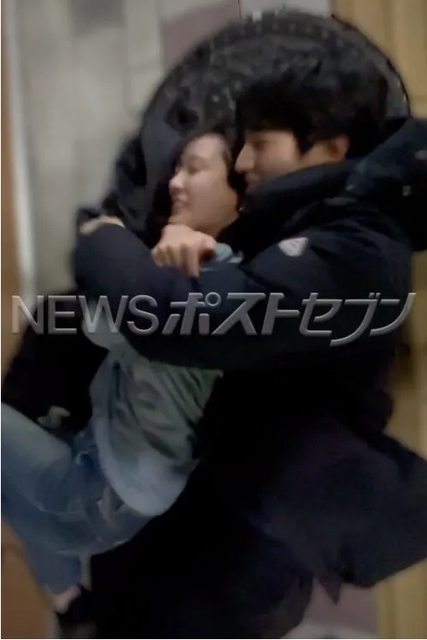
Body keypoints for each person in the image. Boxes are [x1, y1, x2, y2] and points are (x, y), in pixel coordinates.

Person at [73, 56, 427, 638]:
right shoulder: (310, 227)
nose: (243, 163)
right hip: (225, 515)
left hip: (247, 540)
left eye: (260, 144)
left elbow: (183, 321)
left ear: (331, 148)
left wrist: (101, 240)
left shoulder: (350, 250)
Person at [1, 128, 241, 613]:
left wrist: (113, 242)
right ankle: (66, 592)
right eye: (178, 168)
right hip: (125, 493)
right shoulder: (228, 269)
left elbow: (101, 326)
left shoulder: (204, 274)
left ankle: (65, 588)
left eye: (195, 169)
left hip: (100, 493)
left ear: (238, 198)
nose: (176, 181)